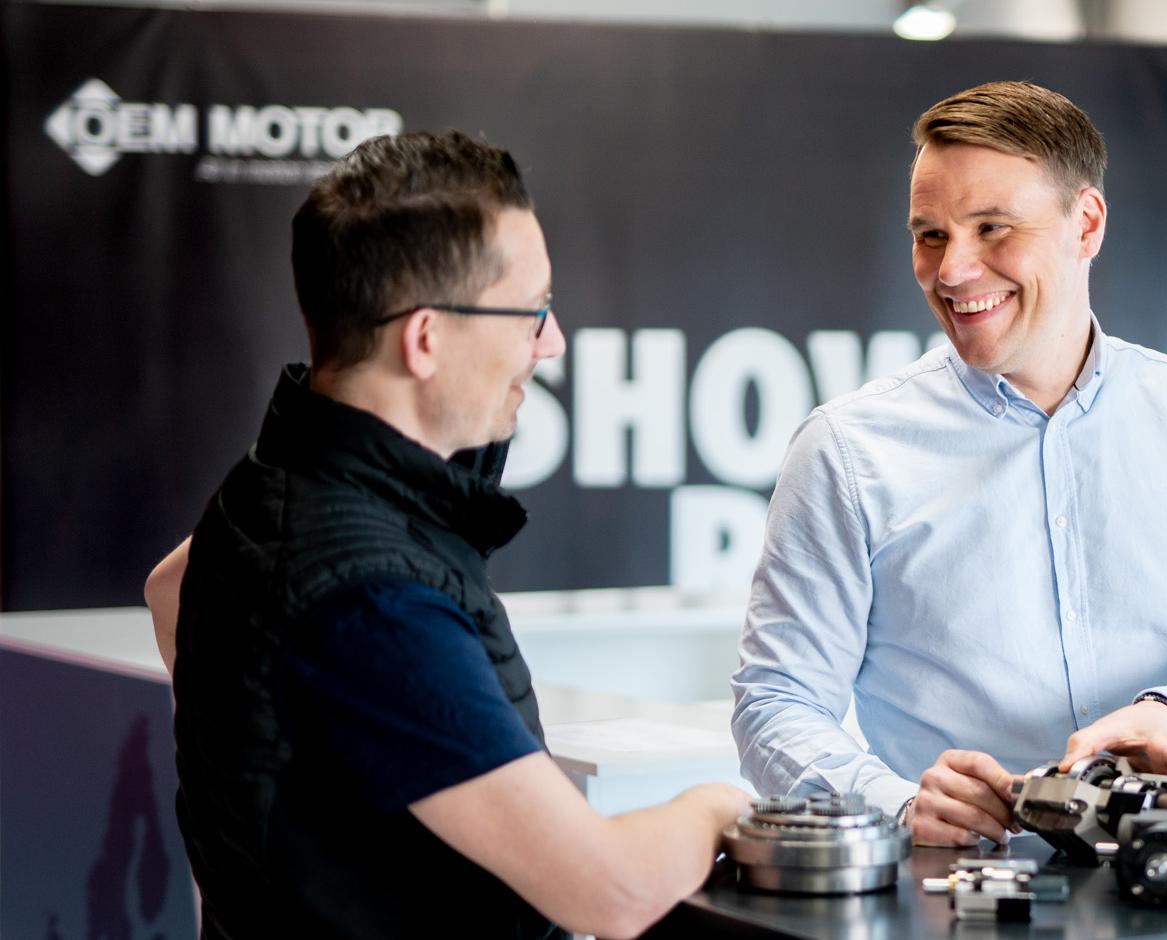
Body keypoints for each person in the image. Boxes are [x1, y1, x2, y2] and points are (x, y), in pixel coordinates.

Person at [145, 131, 748, 938]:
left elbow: (170, 589)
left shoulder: (277, 482)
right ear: (425, 337)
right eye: (531, 312)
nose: (552, 343)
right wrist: (719, 805)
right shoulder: (373, 596)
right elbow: (612, 890)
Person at [730, 81, 1167, 848]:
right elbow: (775, 703)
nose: (952, 271)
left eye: (992, 228)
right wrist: (898, 805)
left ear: (1086, 224)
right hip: (953, 885)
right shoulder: (847, 449)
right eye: (930, 235)